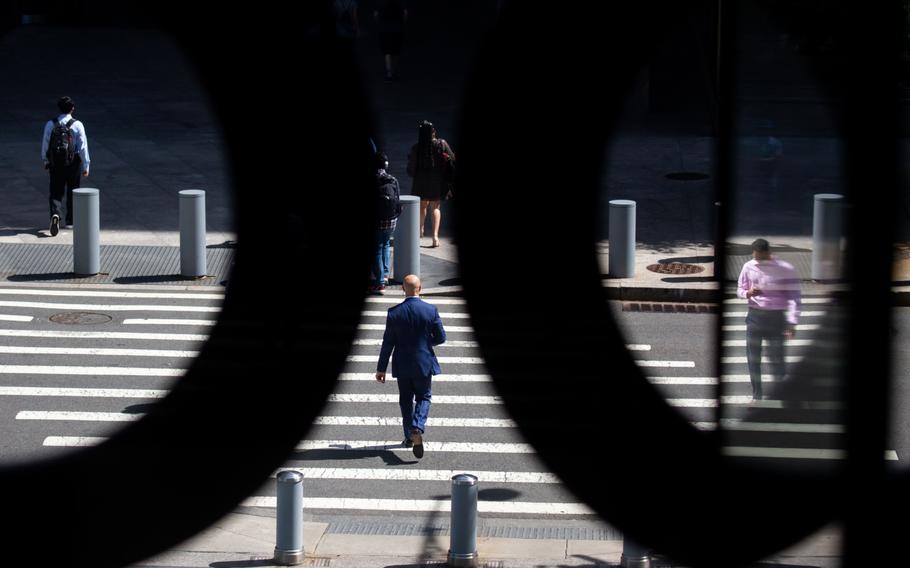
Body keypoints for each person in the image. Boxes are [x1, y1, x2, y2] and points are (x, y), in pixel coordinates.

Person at [375, 274, 446, 458]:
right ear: (420, 288)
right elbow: (441, 337)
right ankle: (418, 427)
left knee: (405, 400)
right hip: (423, 362)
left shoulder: (394, 312)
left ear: (402, 289)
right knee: (424, 396)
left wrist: (381, 368)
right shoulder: (430, 310)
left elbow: (388, 343)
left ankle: (408, 436)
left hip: (403, 363)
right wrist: (426, 342)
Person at [736, 238, 801, 401]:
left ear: (768, 253)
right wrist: (748, 293)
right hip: (755, 317)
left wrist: (792, 322)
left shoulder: (785, 269)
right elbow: (740, 289)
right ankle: (757, 395)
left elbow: (794, 297)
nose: (757, 259)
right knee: (753, 359)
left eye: (760, 256)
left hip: (776, 318)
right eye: (755, 256)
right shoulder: (748, 266)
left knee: (777, 358)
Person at [41, 96, 90, 236]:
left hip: (56, 163)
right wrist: (86, 166)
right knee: (72, 191)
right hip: (73, 162)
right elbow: (83, 146)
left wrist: (46, 161)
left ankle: (55, 214)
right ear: (72, 109)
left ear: (59, 108)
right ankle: (70, 222)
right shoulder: (77, 124)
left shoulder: (51, 124)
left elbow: (45, 144)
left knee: (56, 191)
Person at [407, 120, 454, 248]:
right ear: (434, 132)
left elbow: (410, 169)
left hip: (421, 182)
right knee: (435, 208)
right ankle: (435, 237)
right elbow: (453, 158)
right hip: (437, 181)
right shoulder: (441, 144)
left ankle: (419, 232)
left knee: (422, 207)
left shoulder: (416, 147)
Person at [371, 151, 401, 294]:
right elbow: (398, 200)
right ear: (386, 164)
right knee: (386, 245)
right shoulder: (392, 179)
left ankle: (379, 282)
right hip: (391, 220)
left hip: (377, 220)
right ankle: (386, 276)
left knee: (377, 248)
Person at [373, 0, 408, 82]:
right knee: (396, 51)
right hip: (397, 28)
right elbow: (405, 13)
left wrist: (379, 22)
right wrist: (403, 22)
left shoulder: (380, 2)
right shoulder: (399, 2)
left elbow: (375, 14)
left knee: (387, 51)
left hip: (384, 29)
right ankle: (393, 72)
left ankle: (389, 74)